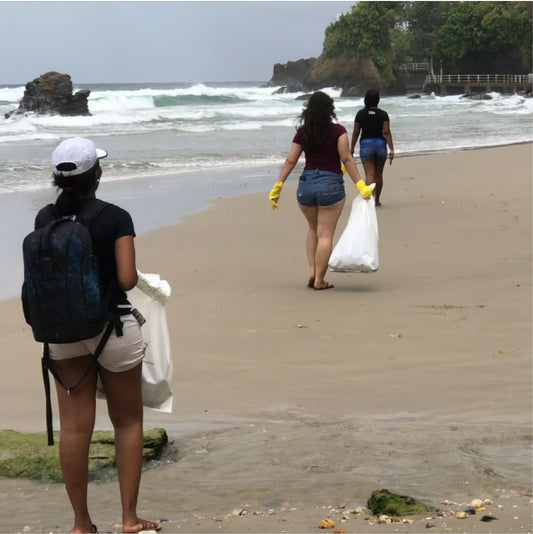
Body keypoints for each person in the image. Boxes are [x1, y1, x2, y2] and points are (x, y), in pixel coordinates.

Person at [33, 138, 160, 534]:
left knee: (74, 429)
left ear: (58, 180)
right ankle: (128, 519)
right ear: (98, 177)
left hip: (63, 333)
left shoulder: (44, 218)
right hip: (113, 329)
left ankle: (81, 524)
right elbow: (126, 278)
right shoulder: (115, 218)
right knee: (126, 422)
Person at [269, 91, 373, 290]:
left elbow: (291, 160)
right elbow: (347, 159)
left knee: (313, 229)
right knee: (325, 235)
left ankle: (312, 272)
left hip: (305, 185)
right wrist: (360, 184)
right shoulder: (338, 131)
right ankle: (319, 280)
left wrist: (278, 185)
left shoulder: (302, 132)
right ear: (329, 109)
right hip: (330, 185)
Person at [350, 89, 394, 207]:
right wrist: (391, 149)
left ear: (366, 100)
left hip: (366, 145)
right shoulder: (383, 114)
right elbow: (386, 131)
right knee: (379, 174)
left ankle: (369, 200)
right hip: (380, 145)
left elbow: (356, 132)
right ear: (378, 100)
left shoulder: (360, 114)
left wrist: (352, 147)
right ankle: (377, 201)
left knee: (370, 174)